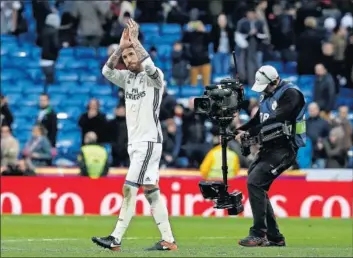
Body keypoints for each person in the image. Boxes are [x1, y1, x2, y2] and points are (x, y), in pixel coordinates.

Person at [92, 19, 177, 252]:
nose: (128, 60)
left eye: (132, 55)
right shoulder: (127, 79)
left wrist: (135, 42)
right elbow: (106, 71)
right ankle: (168, 240)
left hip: (148, 141)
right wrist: (121, 48)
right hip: (137, 143)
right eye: (126, 57)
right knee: (151, 192)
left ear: (140, 54)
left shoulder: (155, 77)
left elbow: (149, 65)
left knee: (130, 188)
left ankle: (115, 238)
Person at [235, 65, 306, 247]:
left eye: (265, 86)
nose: (263, 90)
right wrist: (241, 129)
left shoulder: (292, 94)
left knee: (255, 182)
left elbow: (276, 119)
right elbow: (259, 119)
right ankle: (275, 237)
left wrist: (249, 134)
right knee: (255, 182)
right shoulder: (267, 94)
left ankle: (259, 233)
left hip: (285, 149)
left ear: (274, 81)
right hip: (269, 148)